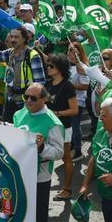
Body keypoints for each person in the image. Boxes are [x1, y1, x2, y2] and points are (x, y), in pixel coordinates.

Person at [0, 82, 65, 222]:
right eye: (26, 97)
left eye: (33, 98)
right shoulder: (20, 113)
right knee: (21, 215)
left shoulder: (52, 122)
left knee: (35, 221)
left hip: (39, 177)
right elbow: (16, 131)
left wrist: (41, 147)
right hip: (18, 173)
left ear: (45, 99)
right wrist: (0, 126)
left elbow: (59, 152)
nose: (28, 100)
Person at [43, 54, 78, 200]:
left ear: (60, 68)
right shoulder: (48, 84)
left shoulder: (67, 86)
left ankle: (67, 189)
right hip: (48, 126)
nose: (48, 68)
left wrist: (56, 113)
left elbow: (74, 110)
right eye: (48, 65)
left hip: (64, 127)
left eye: (51, 66)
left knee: (66, 158)